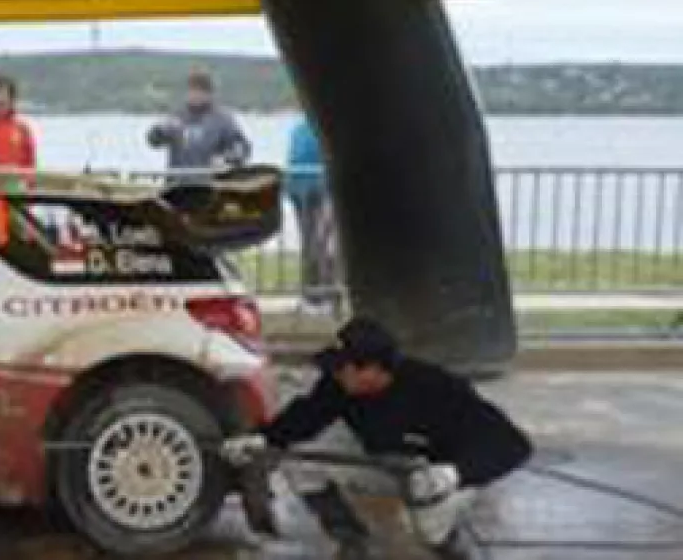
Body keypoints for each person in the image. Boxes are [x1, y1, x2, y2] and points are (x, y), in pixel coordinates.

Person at [222, 318, 532, 560]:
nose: (336, 374)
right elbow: (307, 415)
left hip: (437, 476)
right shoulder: (340, 385)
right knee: (301, 458)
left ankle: (451, 545)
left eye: (343, 368)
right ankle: (351, 540)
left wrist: (455, 473)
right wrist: (262, 439)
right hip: (384, 461)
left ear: (372, 369)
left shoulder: (438, 389)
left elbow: (513, 444)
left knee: (428, 529)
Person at [147, 70, 251, 177]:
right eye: (192, 90)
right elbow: (154, 142)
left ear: (210, 94)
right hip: (178, 182)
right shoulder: (177, 116)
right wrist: (159, 131)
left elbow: (242, 148)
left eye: (201, 91)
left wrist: (226, 159)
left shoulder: (223, 120)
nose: (196, 95)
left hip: (211, 182)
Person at [288, 118, 341, 314]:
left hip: (325, 192)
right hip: (301, 193)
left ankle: (329, 296)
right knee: (309, 246)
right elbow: (293, 159)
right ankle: (310, 296)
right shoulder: (299, 129)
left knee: (323, 245)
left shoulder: (330, 127)